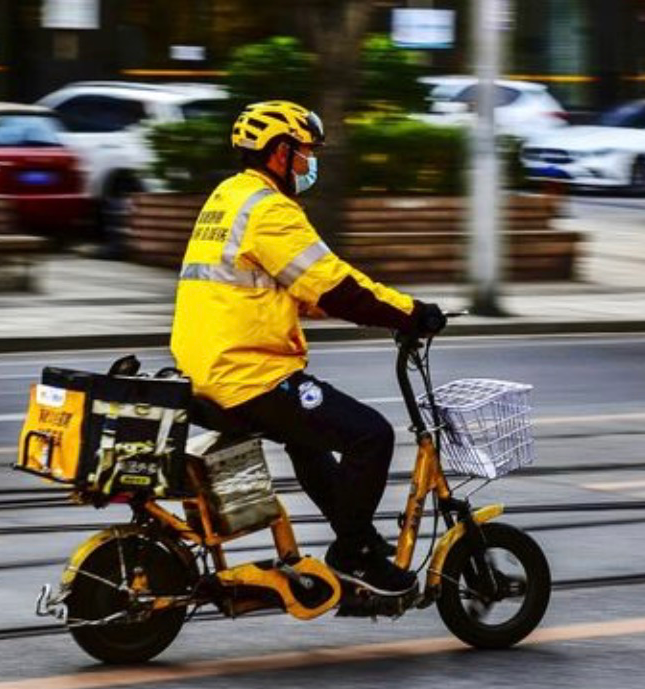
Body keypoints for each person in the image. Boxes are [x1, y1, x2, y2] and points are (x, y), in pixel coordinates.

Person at [170, 100, 446, 596]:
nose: (309, 162)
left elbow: (262, 280)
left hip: (207, 367)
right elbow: (335, 285)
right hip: (247, 375)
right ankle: (354, 554)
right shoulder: (270, 210)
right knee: (371, 435)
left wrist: (315, 301)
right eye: (305, 152)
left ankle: (357, 538)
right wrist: (411, 313)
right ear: (281, 152)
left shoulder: (229, 196)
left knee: (309, 439)